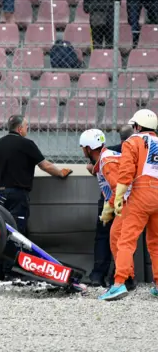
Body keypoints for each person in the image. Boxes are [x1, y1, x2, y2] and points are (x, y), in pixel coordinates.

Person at [0, 115, 72, 280]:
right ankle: (13, 272)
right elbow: (45, 165)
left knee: (1, 232)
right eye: (26, 126)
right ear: (19, 129)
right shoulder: (27, 144)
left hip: (0, 195)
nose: (27, 129)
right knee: (18, 233)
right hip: (18, 194)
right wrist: (61, 173)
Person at [100, 109, 158, 301]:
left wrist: (118, 197)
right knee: (156, 244)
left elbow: (126, 174)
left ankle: (118, 284)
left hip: (141, 194)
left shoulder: (132, 142)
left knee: (126, 240)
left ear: (138, 126)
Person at [80, 128, 136, 292]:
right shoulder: (106, 158)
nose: (83, 151)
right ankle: (127, 277)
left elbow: (119, 187)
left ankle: (125, 278)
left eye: (83, 147)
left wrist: (109, 207)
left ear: (89, 148)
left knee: (117, 239)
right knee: (119, 240)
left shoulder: (107, 161)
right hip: (127, 202)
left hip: (126, 203)